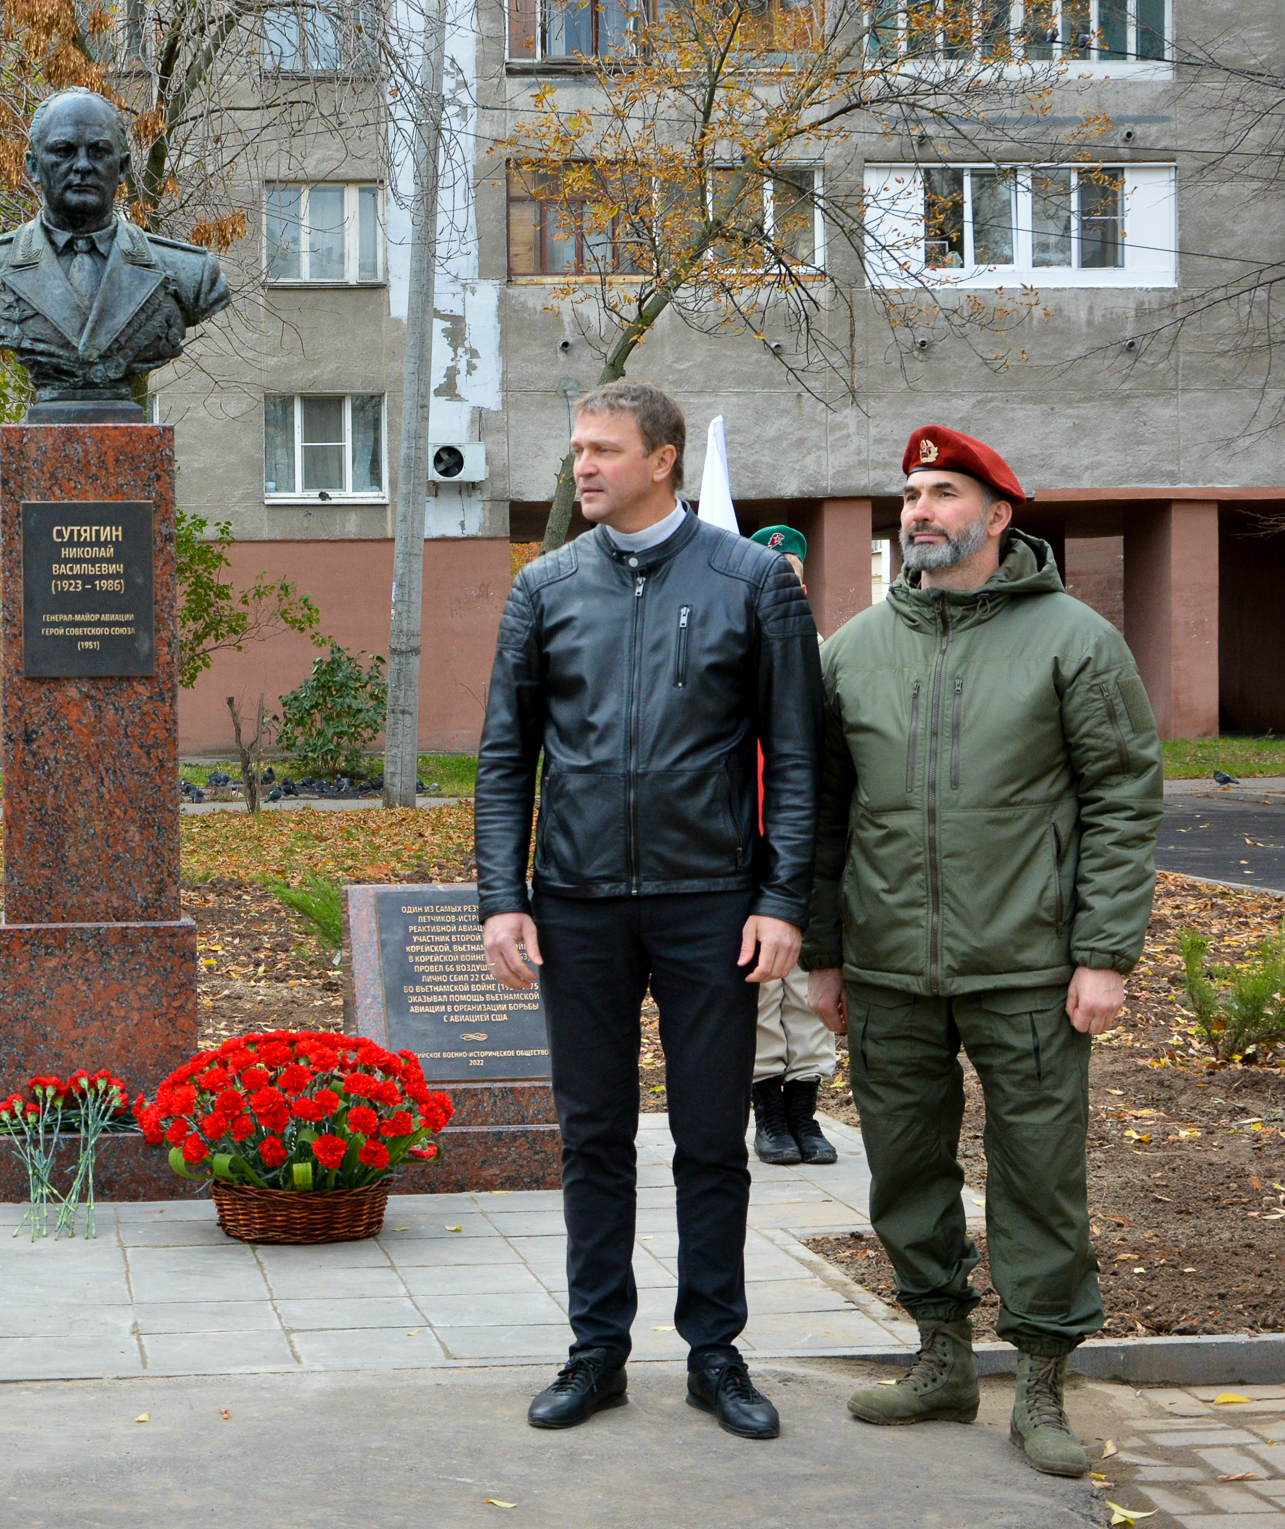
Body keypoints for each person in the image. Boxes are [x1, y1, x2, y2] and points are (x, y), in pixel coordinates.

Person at [801, 426, 1161, 1477]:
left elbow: (1121, 802)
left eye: (942, 492)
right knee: (904, 1170)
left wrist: (1103, 954)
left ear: (998, 516)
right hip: (885, 972)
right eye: (910, 493)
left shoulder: (1073, 641)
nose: (917, 510)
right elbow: (824, 814)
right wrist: (824, 952)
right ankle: (941, 1359)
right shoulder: (855, 649)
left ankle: (1042, 1382)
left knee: (1037, 1178)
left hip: (1031, 971)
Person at [477, 382, 821, 1443]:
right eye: (575, 447)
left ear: (662, 459)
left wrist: (782, 900)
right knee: (592, 1138)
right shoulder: (544, 587)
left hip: (708, 905)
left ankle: (715, 1355)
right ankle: (596, 1354)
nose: (581, 466)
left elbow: (800, 761)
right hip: (576, 907)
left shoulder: (754, 583)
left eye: (603, 449)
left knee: (712, 1140)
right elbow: (504, 759)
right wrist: (502, 897)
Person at [0, 87, 228, 414]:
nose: (82, 165)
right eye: (63, 151)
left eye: (98, 152)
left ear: (124, 167)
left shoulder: (194, 275)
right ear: (32, 166)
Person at [741, 525, 837, 1168]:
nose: (789, 584)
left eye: (797, 575)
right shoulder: (733, 644)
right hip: (744, 836)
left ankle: (804, 1110)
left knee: (808, 979)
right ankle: (768, 1115)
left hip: (808, 839)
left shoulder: (829, 651)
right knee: (759, 985)